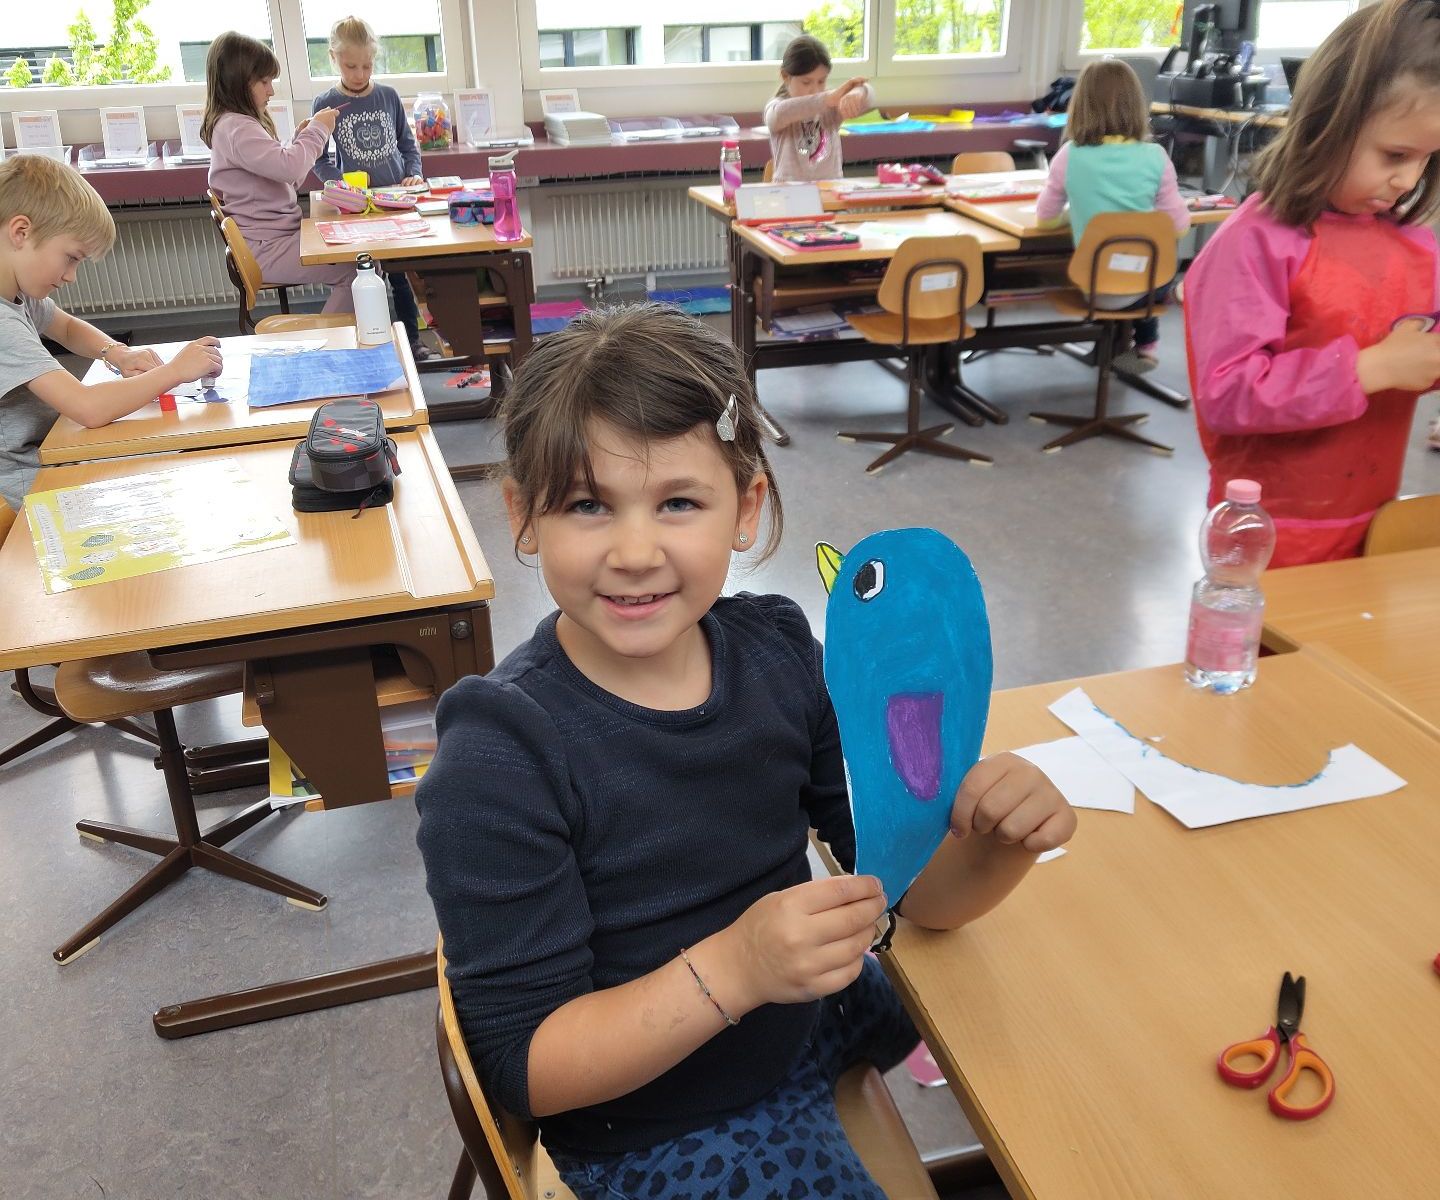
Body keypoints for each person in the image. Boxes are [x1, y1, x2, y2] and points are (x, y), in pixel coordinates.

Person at [414, 303, 1075, 1200]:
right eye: (587, 505)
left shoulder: (777, 651)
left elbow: (910, 894)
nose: (635, 552)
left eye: (678, 503)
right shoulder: (503, 757)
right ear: (524, 515)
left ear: (745, 507)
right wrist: (738, 967)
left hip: (807, 1012)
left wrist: (996, 844)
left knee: (1068, 1077)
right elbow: (525, 1068)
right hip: (661, 1124)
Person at [1184, 0, 1440, 566]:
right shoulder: (1256, 242)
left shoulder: (1414, 244)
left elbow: (1417, 355)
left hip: (1374, 516)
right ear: (1328, 124)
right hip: (1268, 525)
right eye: (1395, 154)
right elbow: (1227, 394)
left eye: (1427, 159)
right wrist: (1369, 369)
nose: (1408, 179)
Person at [0, 154, 221, 507]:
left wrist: (118, 352)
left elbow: (67, 327)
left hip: (52, 452)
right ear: (21, 232)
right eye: (71, 257)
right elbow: (88, 408)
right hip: (30, 487)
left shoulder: (17, 293)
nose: (71, 276)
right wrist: (175, 371)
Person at [1035, 58, 1191, 375]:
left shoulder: (1068, 155)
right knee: (1156, 263)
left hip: (1093, 286)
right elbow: (1179, 227)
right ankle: (1148, 342)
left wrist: (1076, 215)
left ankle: (1140, 343)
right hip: (1146, 287)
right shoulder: (1156, 157)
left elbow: (1045, 219)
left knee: (1120, 264)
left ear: (1080, 105)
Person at [203, 32, 355, 314]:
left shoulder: (236, 126)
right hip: (267, 248)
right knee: (358, 268)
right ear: (238, 82)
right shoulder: (238, 129)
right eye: (264, 82)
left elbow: (287, 176)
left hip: (271, 241)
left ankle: (336, 335)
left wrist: (299, 140)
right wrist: (318, 130)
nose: (271, 91)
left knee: (361, 261)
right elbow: (291, 167)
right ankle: (329, 339)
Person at [311, 16, 435, 361]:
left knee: (401, 277)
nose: (359, 74)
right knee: (368, 278)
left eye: (367, 65)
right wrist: (338, 185)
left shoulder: (388, 96)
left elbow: (409, 146)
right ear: (334, 58)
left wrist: (413, 174)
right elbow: (319, 159)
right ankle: (372, 344)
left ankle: (413, 343)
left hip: (395, 201)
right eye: (351, 66)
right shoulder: (325, 103)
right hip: (358, 208)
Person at [765, 35, 874, 182]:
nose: (815, 90)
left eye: (821, 81)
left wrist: (858, 93)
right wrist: (828, 99)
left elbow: (869, 96)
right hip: (789, 193)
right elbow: (780, 114)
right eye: (806, 82)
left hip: (831, 191)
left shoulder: (830, 107)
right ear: (785, 76)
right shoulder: (777, 107)